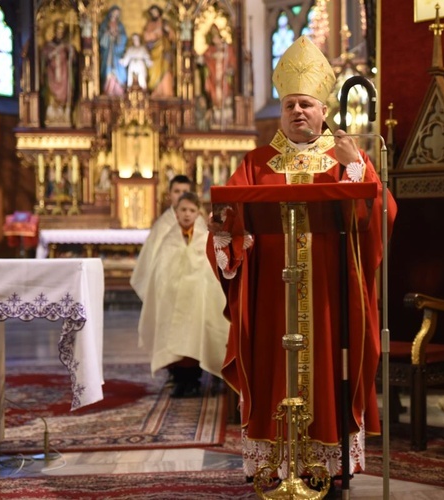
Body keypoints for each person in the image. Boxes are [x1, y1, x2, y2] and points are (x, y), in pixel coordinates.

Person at [206, 36, 397, 482]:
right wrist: (222, 235)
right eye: (290, 104)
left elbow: (381, 215)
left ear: (324, 111)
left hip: (331, 298)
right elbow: (230, 224)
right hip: (271, 297)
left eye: (306, 104)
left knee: (330, 371)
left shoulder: (348, 157)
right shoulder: (256, 163)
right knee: (273, 368)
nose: (297, 112)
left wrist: (356, 172)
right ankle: (277, 464)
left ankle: (328, 465)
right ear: (281, 111)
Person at [131, 176, 229, 398]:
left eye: (191, 210)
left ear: (199, 213)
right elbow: (158, 265)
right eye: (183, 210)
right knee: (172, 336)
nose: (186, 214)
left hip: (197, 298)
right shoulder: (167, 233)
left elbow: (209, 267)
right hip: (173, 298)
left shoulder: (204, 236)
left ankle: (195, 377)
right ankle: (179, 378)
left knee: (197, 334)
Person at [196, 25, 236, 126]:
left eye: (216, 37)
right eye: (213, 38)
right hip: (213, 78)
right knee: (214, 97)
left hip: (224, 79)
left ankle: (227, 120)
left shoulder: (227, 49)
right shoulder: (210, 50)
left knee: (226, 96)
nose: (215, 39)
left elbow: (232, 62)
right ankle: (216, 120)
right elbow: (202, 59)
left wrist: (230, 69)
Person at [41, 20, 77, 125]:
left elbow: (73, 60)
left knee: (66, 90)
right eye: (58, 30)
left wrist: (71, 52)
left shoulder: (66, 46)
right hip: (52, 73)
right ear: (54, 31)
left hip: (64, 73)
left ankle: (64, 112)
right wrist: (52, 54)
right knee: (50, 93)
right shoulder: (49, 46)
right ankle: (51, 113)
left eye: (62, 31)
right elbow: (44, 57)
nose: (59, 32)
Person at [142, 4, 175, 97]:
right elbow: (146, 37)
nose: (154, 14)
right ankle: (155, 91)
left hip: (164, 50)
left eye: (155, 12)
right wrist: (153, 35)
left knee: (166, 70)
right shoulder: (149, 24)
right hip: (153, 52)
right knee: (153, 72)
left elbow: (173, 36)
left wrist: (167, 30)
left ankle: (166, 91)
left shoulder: (164, 23)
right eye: (152, 13)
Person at [98, 5, 127, 96]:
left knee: (118, 69)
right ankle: (108, 90)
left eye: (117, 14)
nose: (115, 15)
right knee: (108, 69)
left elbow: (124, 38)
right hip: (108, 52)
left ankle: (118, 90)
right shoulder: (105, 24)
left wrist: (117, 36)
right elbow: (100, 38)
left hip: (117, 52)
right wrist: (108, 34)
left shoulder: (120, 25)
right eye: (114, 13)